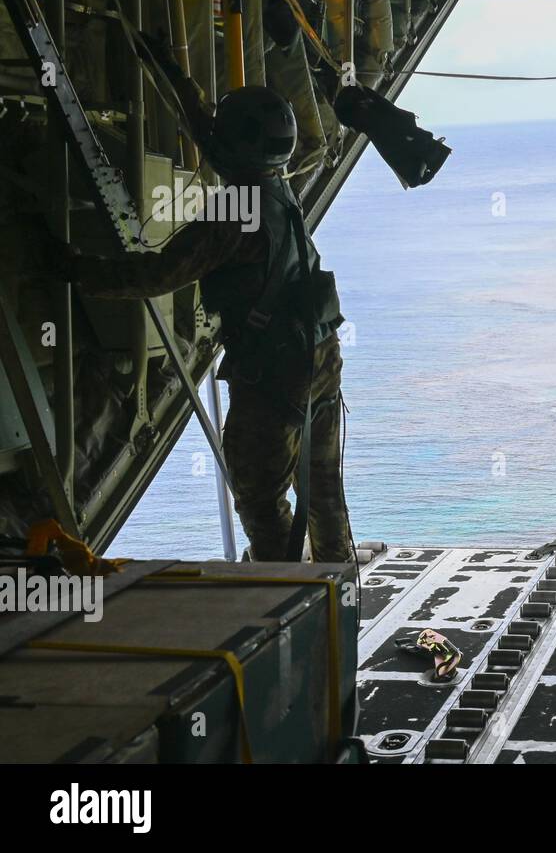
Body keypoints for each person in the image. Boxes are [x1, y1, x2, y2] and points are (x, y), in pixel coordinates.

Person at [43, 66, 353, 564]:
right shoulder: (276, 187)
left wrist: (72, 268)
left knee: (258, 498)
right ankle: (338, 587)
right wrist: (178, 82)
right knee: (322, 488)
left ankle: (283, 597)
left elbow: (158, 275)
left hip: (272, 374)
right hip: (318, 355)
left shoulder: (234, 210)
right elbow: (222, 146)